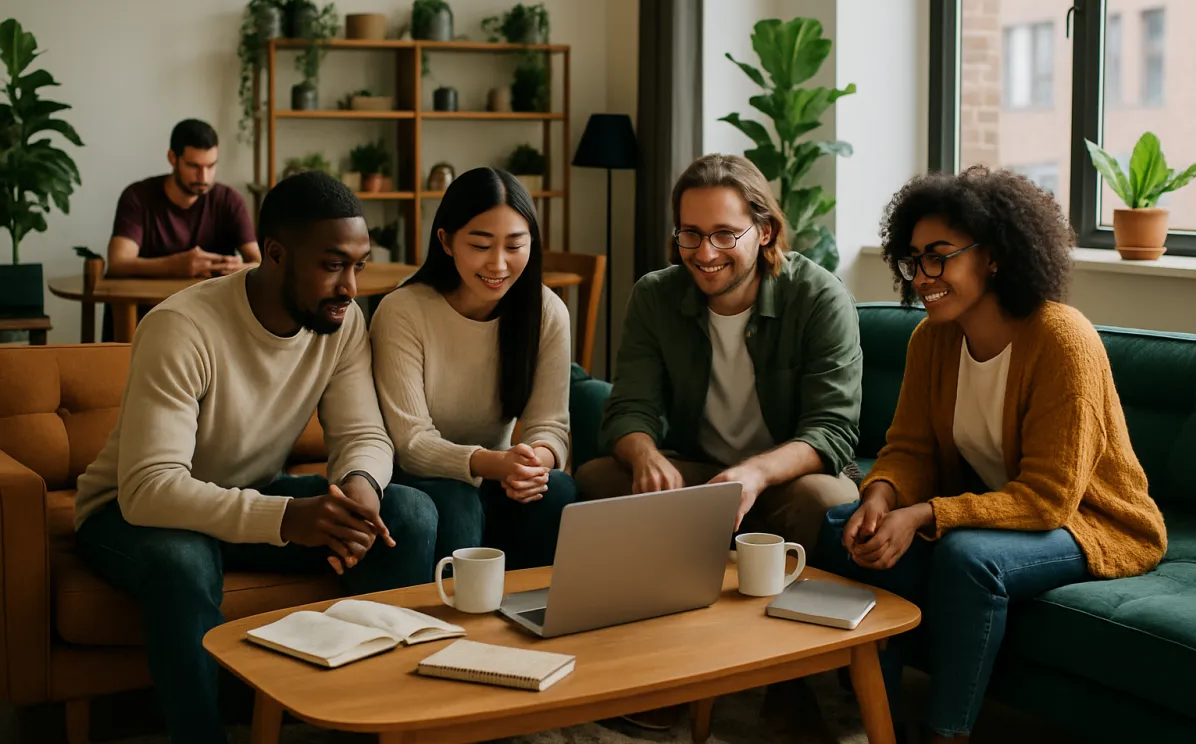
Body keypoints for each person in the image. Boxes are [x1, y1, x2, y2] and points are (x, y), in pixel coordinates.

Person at [73, 172, 438, 744]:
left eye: (359, 266)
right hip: (128, 512)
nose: (350, 286)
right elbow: (149, 488)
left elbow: (364, 433)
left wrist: (359, 491)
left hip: (245, 492)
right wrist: (287, 519)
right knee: (183, 559)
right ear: (274, 254)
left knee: (409, 513)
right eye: (333, 264)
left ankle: (374, 723)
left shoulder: (341, 324)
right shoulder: (180, 327)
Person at [814, 166, 1168, 744]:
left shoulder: (1062, 340)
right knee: (842, 528)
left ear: (995, 256)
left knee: (968, 557)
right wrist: (879, 498)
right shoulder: (932, 339)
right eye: (913, 258)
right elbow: (909, 449)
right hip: (998, 510)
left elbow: (1050, 499)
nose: (922, 274)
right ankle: (866, 718)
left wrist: (924, 515)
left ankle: (945, 731)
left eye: (939, 255)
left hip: (1089, 521)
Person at [574, 154, 862, 556]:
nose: (706, 254)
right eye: (691, 234)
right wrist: (646, 457)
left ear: (764, 232)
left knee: (824, 500)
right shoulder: (654, 296)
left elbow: (831, 431)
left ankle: (727, 551)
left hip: (787, 480)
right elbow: (628, 409)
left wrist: (755, 473)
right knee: (595, 478)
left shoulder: (819, 297)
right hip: (697, 472)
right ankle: (715, 557)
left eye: (725, 235)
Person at [370, 167, 576, 570]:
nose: (498, 264)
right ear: (446, 241)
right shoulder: (403, 311)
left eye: (515, 246)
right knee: (458, 500)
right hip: (415, 479)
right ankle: (454, 626)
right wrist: (495, 464)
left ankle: (532, 619)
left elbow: (551, 425)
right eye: (481, 245)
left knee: (557, 490)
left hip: (498, 473)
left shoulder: (546, 310)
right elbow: (411, 443)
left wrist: (536, 461)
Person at [107, 118, 259, 279]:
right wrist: (174, 266)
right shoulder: (138, 197)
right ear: (172, 158)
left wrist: (238, 269)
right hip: (151, 303)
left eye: (211, 165)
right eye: (193, 166)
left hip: (206, 303)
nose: (204, 177)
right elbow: (118, 263)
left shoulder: (229, 200)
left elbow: (258, 262)